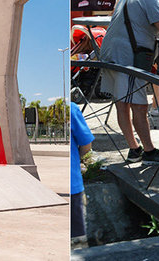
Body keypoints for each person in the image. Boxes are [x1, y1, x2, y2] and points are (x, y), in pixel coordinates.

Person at [99, 0, 159, 164]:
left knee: (121, 103)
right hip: (128, 57)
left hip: (110, 54)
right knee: (139, 105)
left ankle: (134, 149)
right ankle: (149, 152)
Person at [70, 102, 94, 243]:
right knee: (77, 241)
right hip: (73, 185)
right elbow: (86, 144)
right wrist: (77, 159)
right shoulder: (71, 108)